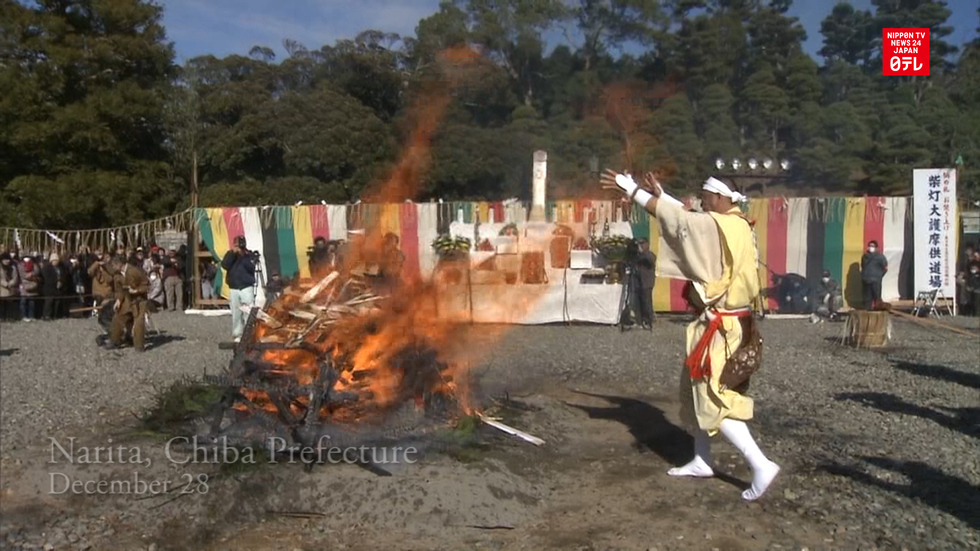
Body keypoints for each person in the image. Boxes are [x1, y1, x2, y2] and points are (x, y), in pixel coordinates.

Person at [600, 169, 780, 501]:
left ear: (721, 197)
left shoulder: (721, 225)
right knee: (696, 393)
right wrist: (665, 197)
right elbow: (689, 221)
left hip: (723, 328)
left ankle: (760, 464)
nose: (701, 201)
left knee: (714, 399)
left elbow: (685, 225)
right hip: (724, 323)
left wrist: (635, 191)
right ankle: (702, 459)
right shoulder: (736, 224)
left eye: (706, 196)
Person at [105, 256, 150, 351]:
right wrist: (118, 300)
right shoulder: (117, 275)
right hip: (126, 300)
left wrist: (137, 290)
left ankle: (139, 345)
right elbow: (119, 290)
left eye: (113, 265)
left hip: (139, 300)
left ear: (119, 264)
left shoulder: (134, 271)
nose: (112, 268)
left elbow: (146, 285)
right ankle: (114, 340)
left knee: (138, 323)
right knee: (118, 318)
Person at [222, 235, 256, 341]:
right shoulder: (230, 254)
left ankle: (250, 333)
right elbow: (225, 265)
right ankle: (238, 333)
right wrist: (233, 254)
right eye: (237, 244)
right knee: (236, 312)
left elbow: (251, 267)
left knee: (249, 310)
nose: (239, 246)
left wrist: (243, 256)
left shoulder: (249, 255)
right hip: (234, 287)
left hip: (246, 286)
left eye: (240, 244)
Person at [634, 238, 657, 329]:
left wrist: (643, 252)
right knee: (639, 302)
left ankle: (649, 320)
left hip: (647, 282)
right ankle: (640, 320)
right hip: (639, 281)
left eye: (642, 243)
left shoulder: (650, 254)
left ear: (647, 244)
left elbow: (651, 260)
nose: (641, 246)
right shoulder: (638, 255)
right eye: (640, 244)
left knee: (647, 302)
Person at [861, 240, 887, 310]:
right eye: (869, 246)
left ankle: (878, 310)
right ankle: (867, 310)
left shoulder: (880, 257)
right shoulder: (865, 256)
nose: (870, 247)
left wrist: (879, 276)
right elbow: (863, 266)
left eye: (872, 246)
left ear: (876, 247)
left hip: (876, 280)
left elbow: (885, 268)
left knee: (877, 297)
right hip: (866, 280)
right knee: (867, 297)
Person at [18, 256, 40, 321]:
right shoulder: (20, 265)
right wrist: (28, 276)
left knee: (32, 302)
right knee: (23, 302)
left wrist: (32, 274)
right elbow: (22, 274)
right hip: (23, 286)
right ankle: (24, 316)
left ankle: (31, 316)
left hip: (33, 285)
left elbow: (37, 271)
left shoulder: (34, 264)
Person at [0, 253, 20, 321]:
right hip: (2, 289)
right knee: (2, 304)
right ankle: (2, 317)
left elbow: (16, 277)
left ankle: (10, 317)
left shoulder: (13, 267)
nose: (7, 261)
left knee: (10, 304)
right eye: (5, 259)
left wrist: (11, 283)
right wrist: (5, 284)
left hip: (11, 288)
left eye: (8, 259)